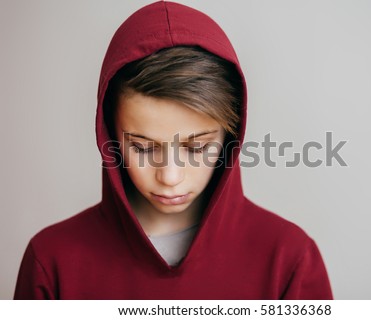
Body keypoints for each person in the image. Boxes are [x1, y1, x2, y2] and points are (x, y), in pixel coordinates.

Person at [14, 0, 333, 299]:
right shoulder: (51, 262)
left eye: (197, 148)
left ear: (230, 138)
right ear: (109, 135)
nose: (169, 176)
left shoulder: (289, 260)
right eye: (141, 147)